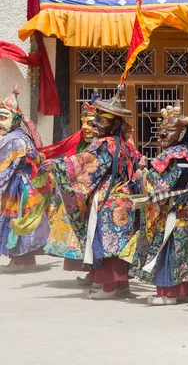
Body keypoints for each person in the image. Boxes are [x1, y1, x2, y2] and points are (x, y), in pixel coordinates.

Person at [47, 87, 138, 299]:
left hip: (108, 200)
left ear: (115, 124)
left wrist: (60, 166)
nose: (96, 124)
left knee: (105, 242)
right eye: (96, 119)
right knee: (118, 243)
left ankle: (108, 287)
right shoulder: (124, 145)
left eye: (102, 121)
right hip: (123, 198)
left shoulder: (105, 145)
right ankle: (122, 286)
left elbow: (87, 163)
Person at [129, 101, 188, 305]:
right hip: (186, 215)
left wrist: (141, 176)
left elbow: (160, 184)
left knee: (169, 251)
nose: (163, 134)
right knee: (185, 252)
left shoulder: (174, 156)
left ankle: (168, 293)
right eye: (161, 130)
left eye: (169, 130)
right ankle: (187, 291)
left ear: (181, 133)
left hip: (172, 212)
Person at [41, 101, 96, 283]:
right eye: (84, 122)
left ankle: (99, 275)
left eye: (91, 123)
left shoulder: (106, 144)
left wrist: (60, 166)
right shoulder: (83, 143)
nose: (86, 127)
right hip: (81, 194)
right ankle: (92, 274)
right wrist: (59, 166)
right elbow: (73, 161)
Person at [0, 89, 50, 272]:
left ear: (14, 119)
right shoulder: (23, 135)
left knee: (15, 219)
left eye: (3, 117)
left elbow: (4, 166)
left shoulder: (13, 139)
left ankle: (17, 261)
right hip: (30, 184)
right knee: (28, 220)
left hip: (17, 185)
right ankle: (28, 261)